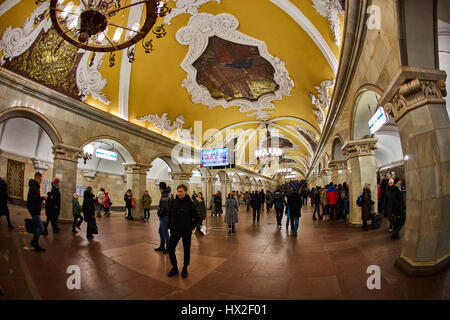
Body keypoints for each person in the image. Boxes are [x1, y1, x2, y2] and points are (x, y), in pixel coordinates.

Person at [167, 184, 200, 278]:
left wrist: (191, 228)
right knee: (170, 249)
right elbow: (169, 214)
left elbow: (197, 218)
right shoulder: (173, 202)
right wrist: (169, 226)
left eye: (181, 191)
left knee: (186, 250)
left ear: (185, 192)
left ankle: (185, 268)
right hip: (175, 231)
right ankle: (174, 268)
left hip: (186, 231)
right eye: (178, 191)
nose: (179, 193)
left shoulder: (190, 203)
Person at [27, 172, 47, 252]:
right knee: (41, 228)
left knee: (36, 227)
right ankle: (35, 243)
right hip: (34, 210)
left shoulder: (35, 186)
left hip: (34, 209)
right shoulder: (34, 187)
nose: (41, 181)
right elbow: (34, 199)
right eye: (40, 179)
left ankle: (34, 242)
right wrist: (43, 198)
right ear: (36, 178)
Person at [155, 182, 171, 254]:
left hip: (164, 216)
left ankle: (168, 247)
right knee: (160, 231)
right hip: (164, 216)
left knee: (165, 233)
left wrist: (159, 213)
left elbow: (164, 207)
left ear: (160, 188)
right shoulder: (166, 194)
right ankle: (162, 246)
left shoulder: (164, 195)